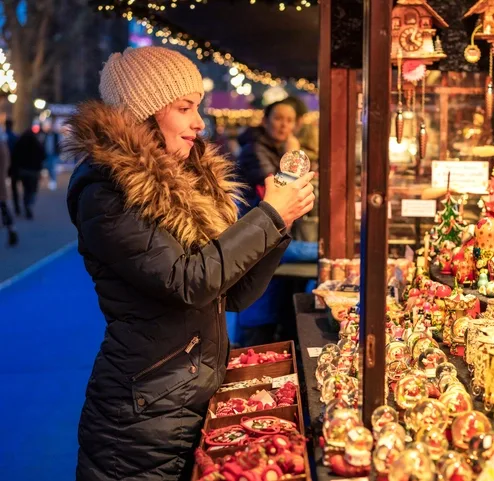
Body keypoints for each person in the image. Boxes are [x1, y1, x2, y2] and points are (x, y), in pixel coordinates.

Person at [63, 46, 315, 481]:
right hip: (142, 416)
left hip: (190, 397)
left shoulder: (187, 183)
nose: (199, 122)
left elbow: (231, 293)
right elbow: (189, 281)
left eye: (197, 106)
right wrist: (269, 216)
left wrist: (279, 225)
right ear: (143, 114)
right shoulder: (107, 192)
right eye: (184, 108)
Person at [11, 126, 46, 219]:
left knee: (26, 189)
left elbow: (14, 156)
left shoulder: (20, 143)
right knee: (32, 190)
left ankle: (26, 203)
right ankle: (29, 204)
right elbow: (43, 155)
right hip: (34, 172)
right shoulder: (37, 144)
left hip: (23, 171)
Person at [0, 126, 18, 246]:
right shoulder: (3, 145)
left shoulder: (2, 146)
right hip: (1, 183)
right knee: (4, 207)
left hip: (0, 183)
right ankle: (12, 231)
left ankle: (12, 231)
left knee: (4, 207)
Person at [38, 119, 60, 190]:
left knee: (52, 167)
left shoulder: (56, 135)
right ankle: (48, 180)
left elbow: (58, 145)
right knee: (46, 166)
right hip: (46, 154)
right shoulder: (44, 134)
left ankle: (53, 181)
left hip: (53, 154)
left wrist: (58, 153)